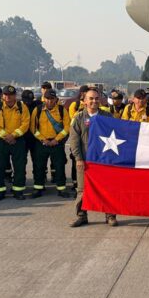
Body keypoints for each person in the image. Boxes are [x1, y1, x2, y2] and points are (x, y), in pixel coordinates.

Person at [68, 86, 116, 227]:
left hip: (104, 161)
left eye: (96, 98)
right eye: (91, 99)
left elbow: (116, 135)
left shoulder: (107, 117)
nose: (94, 101)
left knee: (107, 189)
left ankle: (110, 215)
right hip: (85, 162)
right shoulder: (78, 118)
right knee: (82, 191)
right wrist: (78, 158)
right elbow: (74, 140)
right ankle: (81, 216)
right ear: (84, 101)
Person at [0, 85, 30, 201]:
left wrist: (14, 135)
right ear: (2, 96)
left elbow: (25, 124)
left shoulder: (22, 107)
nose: (8, 97)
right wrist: (5, 135)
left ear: (15, 95)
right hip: (1, 140)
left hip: (18, 140)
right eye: (6, 95)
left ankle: (18, 191)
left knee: (19, 166)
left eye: (11, 95)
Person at [30, 88, 71, 198]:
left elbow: (67, 127)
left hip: (56, 143)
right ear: (44, 99)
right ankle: (38, 188)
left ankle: (61, 189)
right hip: (41, 143)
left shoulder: (62, 110)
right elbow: (33, 128)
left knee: (59, 166)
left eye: (52, 99)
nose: (50, 101)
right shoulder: (37, 110)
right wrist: (43, 140)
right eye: (47, 98)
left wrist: (56, 140)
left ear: (56, 99)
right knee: (39, 166)